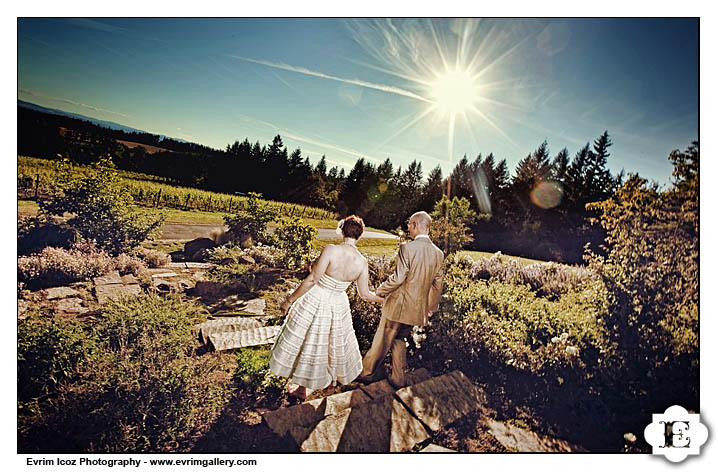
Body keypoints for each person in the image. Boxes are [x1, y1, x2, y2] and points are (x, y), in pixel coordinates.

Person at [269, 215, 384, 400]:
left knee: (311, 341)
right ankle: (329, 380)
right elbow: (365, 294)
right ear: (360, 236)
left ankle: (302, 388)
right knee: (331, 343)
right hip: (338, 303)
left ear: (342, 230)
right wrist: (383, 300)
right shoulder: (362, 262)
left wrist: (289, 300)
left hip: (318, 298)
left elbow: (313, 279)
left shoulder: (331, 250)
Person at [357, 211, 444, 389]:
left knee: (382, 339)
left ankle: (368, 373)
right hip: (416, 309)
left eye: (409, 226)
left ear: (415, 225)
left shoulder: (407, 248)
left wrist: (379, 291)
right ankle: (398, 377)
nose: (408, 229)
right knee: (399, 339)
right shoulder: (438, 253)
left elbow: (398, 278)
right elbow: (437, 284)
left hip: (398, 306)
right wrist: (431, 308)